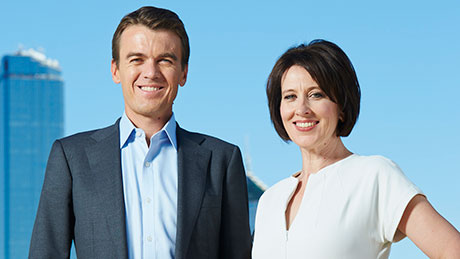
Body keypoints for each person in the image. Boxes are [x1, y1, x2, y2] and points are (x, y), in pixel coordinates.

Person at [29, 6, 252, 259]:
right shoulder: (71, 157)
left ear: (184, 72)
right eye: (137, 59)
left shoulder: (222, 160)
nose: (151, 73)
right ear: (115, 70)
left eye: (165, 60)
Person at [252, 39, 460, 258]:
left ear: (341, 106)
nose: (301, 109)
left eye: (316, 94)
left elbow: (451, 250)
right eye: (290, 97)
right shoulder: (270, 199)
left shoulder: (374, 176)